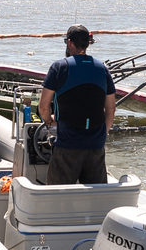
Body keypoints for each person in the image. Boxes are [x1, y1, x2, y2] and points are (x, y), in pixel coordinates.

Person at [38, 25, 117, 185]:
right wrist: (104, 132)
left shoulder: (59, 67)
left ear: (69, 42)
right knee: (95, 200)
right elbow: (111, 108)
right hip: (96, 147)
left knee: (56, 197)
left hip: (67, 146)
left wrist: (49, 122)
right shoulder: (103, 68)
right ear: (88, 43)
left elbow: (43, 107)